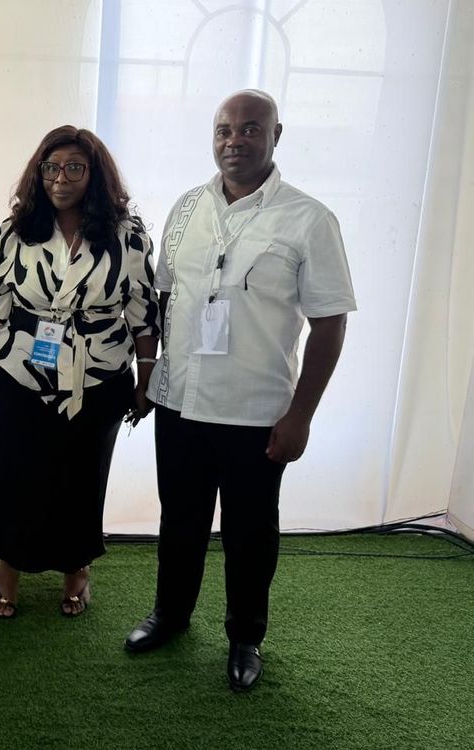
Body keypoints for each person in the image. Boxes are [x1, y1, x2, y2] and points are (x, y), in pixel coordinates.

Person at [123, 90, 356, 691]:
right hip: (180, 401)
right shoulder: (187, 208)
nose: (235, 140)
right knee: (180, 520)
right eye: (224, 129)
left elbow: (330, 324)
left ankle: (245, 637)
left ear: (277, 135)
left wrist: (301, 416)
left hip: (256, 411)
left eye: (250, 129)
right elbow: (165, 299)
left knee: (250, 533)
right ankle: (170, 615)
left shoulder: (310, 219)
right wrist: (150, 377)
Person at [0, 126, 160, 619]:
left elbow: (143, 312)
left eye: (75, 167)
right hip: (20, 371)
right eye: (51, 168)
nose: (60, 178)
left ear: (95, 174)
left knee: (81, 477)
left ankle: (77, 569)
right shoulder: (16, 230)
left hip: (99, 377)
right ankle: (8, 569)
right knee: (16, 474)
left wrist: (146, 377)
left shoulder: (129, 235)